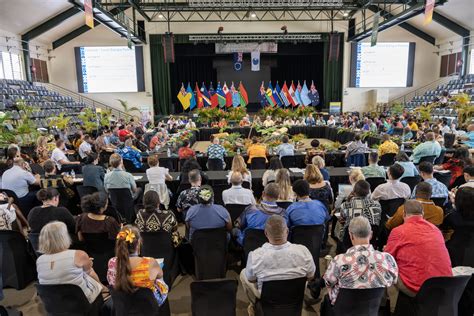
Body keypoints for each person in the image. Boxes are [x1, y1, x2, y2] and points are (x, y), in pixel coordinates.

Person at [385, 200, 452, 312]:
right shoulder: (436, 230)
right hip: (444, 285)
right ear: (423, 214)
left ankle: (392, 309)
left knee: (389, 271)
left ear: (404, 214)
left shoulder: (398, 231)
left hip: (415, 287)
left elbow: (387, 259)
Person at [240, 215, 315, 314]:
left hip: (268, 297)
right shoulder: (303, 251)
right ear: (287, 231)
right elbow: (311, 276)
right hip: (295, 294)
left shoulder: (255, 256)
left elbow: (251, 279)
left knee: (243, 273)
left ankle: (254, 305)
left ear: (266, 233)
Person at [323, 217, 398, 306]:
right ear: (371, 234)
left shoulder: (339, 261)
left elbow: (328, 283)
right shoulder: (387, 259)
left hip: (343, 308)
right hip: (372, 309)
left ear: (351, 235)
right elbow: (394, 280)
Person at [37, 222, 104, 304]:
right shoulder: (78, 254)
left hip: (54, 303)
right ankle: (104, 291)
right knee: (90, 272)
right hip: (81, 301)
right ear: (64, 237)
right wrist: (101, 286)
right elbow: (89, 273)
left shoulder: (39, 260)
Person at [107, 225, 168, 306]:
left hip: (122, 305)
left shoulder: (111, 262)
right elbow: (161, 281)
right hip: (147, 306)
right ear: (138, 243)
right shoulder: (150, 262)